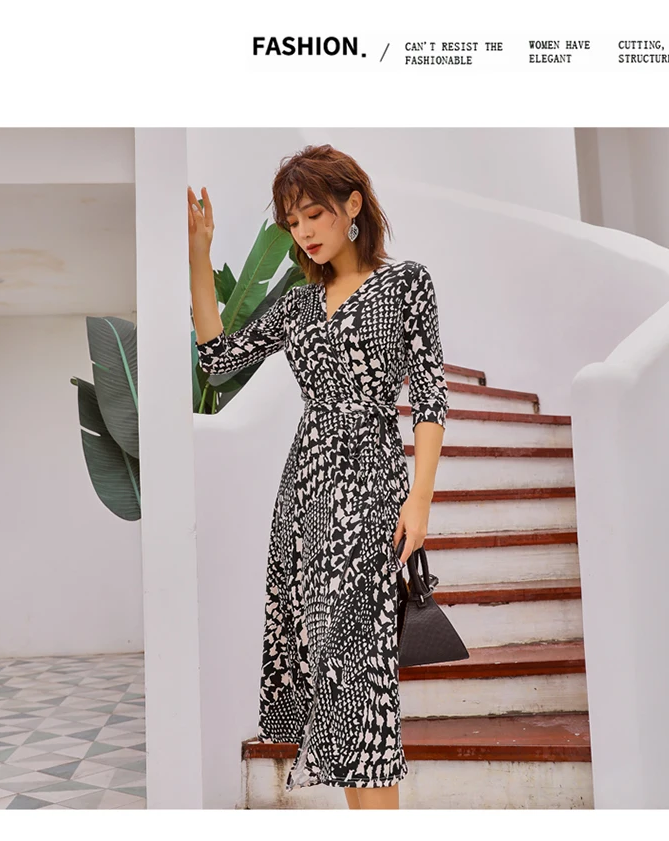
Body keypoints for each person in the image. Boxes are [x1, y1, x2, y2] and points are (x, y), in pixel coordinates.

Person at [188, 144, 448, 810]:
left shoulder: (406, 284)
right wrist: (198, 253)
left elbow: (429, 397)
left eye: (313, 213)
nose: (302, 230)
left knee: (363, 677)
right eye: (292, 220)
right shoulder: (298, 305)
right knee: (334, 680)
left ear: (352, 204)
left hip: (373, 485)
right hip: (306, 494)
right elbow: (218, 359)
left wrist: (419, 500)